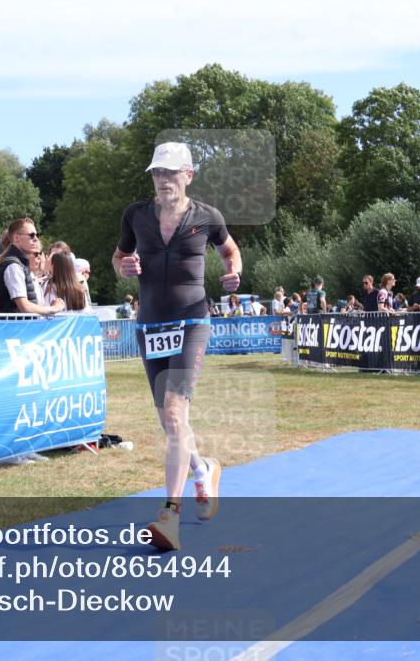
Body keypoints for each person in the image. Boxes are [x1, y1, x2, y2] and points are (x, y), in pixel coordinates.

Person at [112, 141, 241, 551]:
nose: (163, 180)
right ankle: (204, 470)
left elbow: (230, 250)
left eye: (171, 172)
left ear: (188, 174)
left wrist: (232, 272)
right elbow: (118, 258)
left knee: (174, 412)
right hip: (149, 325)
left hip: (191, 321)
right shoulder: (135, 216)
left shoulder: (208, 217)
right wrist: (124, 266)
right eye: (157, 173)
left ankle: (169, 515)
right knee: (171, 424)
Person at [0, 218, 65, 315]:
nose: (36, 239)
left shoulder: (18, 265)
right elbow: (25, 307)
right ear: (17, 238)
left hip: (20, 327)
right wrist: (53, 309)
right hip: (16, 328)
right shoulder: (13, 266)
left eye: (37, 235)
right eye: (31, 235)